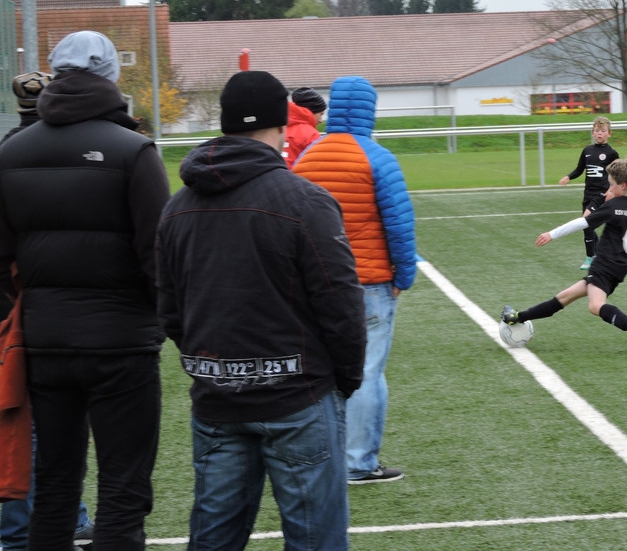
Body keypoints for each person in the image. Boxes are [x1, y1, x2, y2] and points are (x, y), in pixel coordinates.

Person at [157, 70, 366, 551]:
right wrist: (344, 380)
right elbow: (341, 305)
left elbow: (169, 308)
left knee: (213, 539)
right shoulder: (306, 201)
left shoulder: (176, 207)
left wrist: (213, 364)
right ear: (281, 125)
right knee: (315, 541)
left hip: (217, 398)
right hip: (298, 398)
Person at [0, 31, 170, 550]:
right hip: (122, 343)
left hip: (45, 342)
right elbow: (159, 259)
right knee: (124, 487)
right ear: (111, 76)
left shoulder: (10, 151)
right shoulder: (134, 150)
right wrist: (165, 322)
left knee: (54, 484)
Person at [293, 75, 417, 485]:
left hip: (314, 284)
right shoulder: (378, 158)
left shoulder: (308, 156)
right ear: (369, 110)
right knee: (365, 373)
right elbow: (399, 226)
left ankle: (318, 455)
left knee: (318, 372)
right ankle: (358, 463)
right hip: (369, 284)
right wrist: (404, 276)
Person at [0, 72, 94, 550]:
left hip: (15, 308)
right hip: (43, 309)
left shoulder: (8, 154)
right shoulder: (65, 155)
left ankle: (27, 528)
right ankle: (35, 527)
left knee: (21, 420)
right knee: (41, 425)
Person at [501, 156, 627, 355]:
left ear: (622, 186)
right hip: (617, 271)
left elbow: (582, 222)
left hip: (603, 267)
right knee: (563, 298)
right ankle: (518, 317)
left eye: (611, 186)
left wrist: (552, 234)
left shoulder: (613, 207)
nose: (607, 190)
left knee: (595, 306)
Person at [558, 116, 619, 270]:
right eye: (597, 131)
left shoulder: (611, 153)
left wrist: (611, 190)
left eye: (603, 131)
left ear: (609, 133)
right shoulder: (587, 151)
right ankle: (600, 254)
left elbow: (617, 174)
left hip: (601, 194)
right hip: (588, 194)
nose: (599, 133)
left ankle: (590, 258)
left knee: (585, 221)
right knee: (587, 226)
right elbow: (579, 169)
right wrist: (568, 177)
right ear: (593, 133)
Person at [283, 86, 326, 164]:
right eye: (320, 114)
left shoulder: (278, 128)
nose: (321, 120)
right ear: (311, 112)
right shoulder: (311, 135)